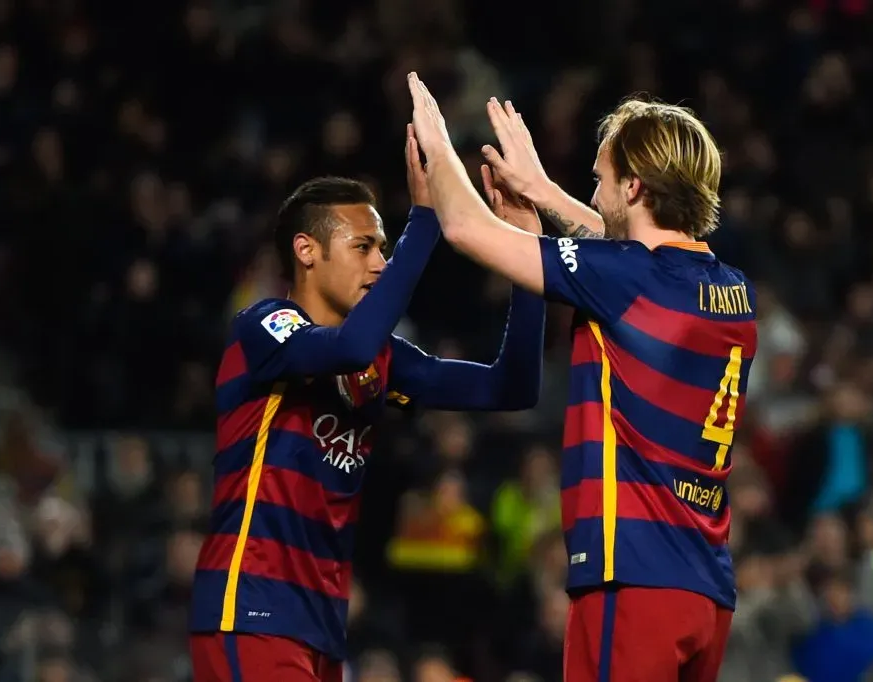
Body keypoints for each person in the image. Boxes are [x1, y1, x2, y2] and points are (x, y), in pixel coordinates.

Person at [406, 73, 757, 682]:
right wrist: (543, 192)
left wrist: (439, 145)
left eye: (599, 181)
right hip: (704, 590)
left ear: (635, 184)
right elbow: (626, 254)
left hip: (632, 575)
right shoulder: (731, 291)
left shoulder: (624, 279)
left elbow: (467, 228)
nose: (593, 198)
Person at [187, 125, 546, 682]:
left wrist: (528, 260)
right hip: (250, 608)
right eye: (364, 247)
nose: (380, 263)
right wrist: (424, 222)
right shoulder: (264, 327)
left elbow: (512, 388)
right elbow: (350, 347)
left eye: (383, 247)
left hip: (323, 624)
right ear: (306, 251)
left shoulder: (382, 360)